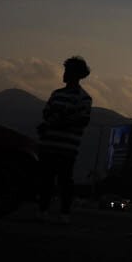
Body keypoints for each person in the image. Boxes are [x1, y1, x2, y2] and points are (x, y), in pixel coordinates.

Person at [37, 56, 93, 223]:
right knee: (46, 180)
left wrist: (54, 122)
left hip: (67, 147)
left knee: (64, 181)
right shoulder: (57, 94)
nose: (64, 74)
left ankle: (64, 213)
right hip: (49, 144)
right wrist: (60, 120)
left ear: (76, 74)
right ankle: (43, 210)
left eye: (68, 71)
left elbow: (82, 120)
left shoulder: (84, 98)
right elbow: (46, 113)